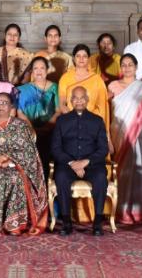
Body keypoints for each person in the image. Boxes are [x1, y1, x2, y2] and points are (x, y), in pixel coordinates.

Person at [0, 92, 48, 235]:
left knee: (13, 179)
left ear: (11, 106)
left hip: (14, 165)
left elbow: (28, 151)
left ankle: (14, 224)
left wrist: (8, 159)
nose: (1, 105)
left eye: (4, 102)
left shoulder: (20, 125)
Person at [51, 86, 111, 235]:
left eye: (82, 98)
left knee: (100, 178)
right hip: (67, 165)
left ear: (87, 99)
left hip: (92, 165)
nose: (79, 101)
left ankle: (97, 222)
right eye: (75, 98)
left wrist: (86, 162)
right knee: (61, 176)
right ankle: (66, 222)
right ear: (71, 100)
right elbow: (56, 148)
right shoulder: (61, 121)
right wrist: (72, 163)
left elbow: (103, 149)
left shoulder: (97, 121)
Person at [107, 53, 142, 225]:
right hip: (118, 132)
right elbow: (107, 111)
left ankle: (140, 212)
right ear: (120, 68)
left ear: (136, 68)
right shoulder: (112, 86)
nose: (127, 68)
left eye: (130, 65)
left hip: (138, 132)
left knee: (138, 170)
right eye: (124, 65)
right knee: (120, 171)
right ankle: (119, 210)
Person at [57, 44, 111, 134]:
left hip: (92, 122)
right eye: (78, 56)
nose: (81, 59)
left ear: (89, 59)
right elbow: (62, 101)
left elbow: (102, 107)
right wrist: (67, 112)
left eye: (84, 56)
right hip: (71, 121)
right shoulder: (65, 78)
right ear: (73, 58)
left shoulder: (97, 79)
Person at [15, 56, 59, 164]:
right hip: (29, 131)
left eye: (42, 68)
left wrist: (47, 127)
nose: (39, 71)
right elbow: (20, 112)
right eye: (35, 68)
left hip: (51, 130)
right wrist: (32, 129)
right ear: (32, 71)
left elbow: (59, 110)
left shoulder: (55, 88)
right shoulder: (22, 90)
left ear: (47, 70)